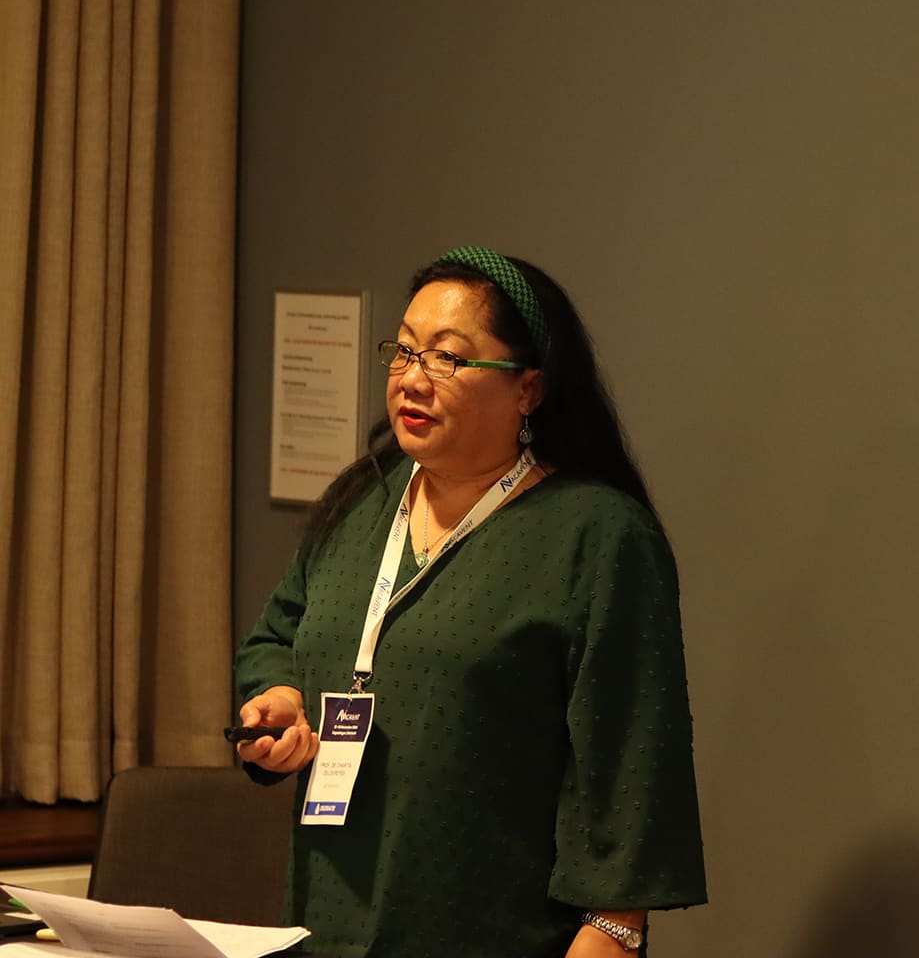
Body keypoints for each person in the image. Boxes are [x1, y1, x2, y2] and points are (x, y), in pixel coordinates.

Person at [234, 247, 705, 957]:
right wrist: (278, 698)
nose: (411, 379)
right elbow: (278, 634)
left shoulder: (597, 535)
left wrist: (614, 930)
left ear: (529, 389)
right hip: (326, 926)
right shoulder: (362, 501)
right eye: (404, 351)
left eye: (447, 358)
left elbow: (633, 755)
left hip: (497, 932)